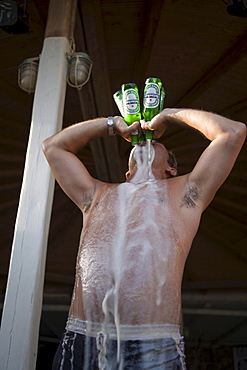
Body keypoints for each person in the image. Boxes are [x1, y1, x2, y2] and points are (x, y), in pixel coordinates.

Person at [42, 108, 246, 370]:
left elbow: (232, 132)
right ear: (128, 173)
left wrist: (169, 115)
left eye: (157, 143)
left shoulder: (186, 194)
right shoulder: (96, 194)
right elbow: (53, 148)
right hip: (84, 338)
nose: (148, 139)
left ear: (171, 169)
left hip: (153, 345)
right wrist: (112, 125)